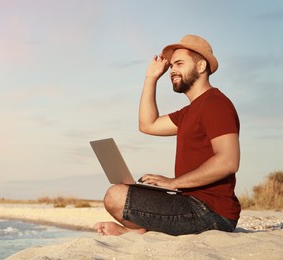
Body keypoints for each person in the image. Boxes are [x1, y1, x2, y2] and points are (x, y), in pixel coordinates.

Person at [94, 35, 241, 236]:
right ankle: (138, 232)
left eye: (179, 63)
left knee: (116, 196)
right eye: (171, 65)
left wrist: (172, 182)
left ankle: (135, 233)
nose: (172, 70)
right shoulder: (188, 112)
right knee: (120, 189)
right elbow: (148, 124)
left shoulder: (215, 104)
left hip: (211, 212)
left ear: (200, 66)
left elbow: (228, 161)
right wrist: (151, 78)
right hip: (188, 201)